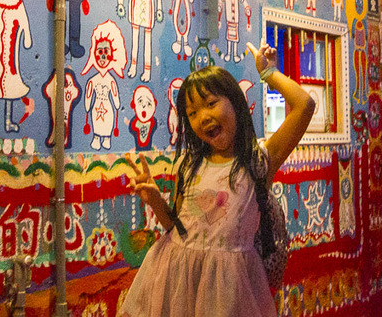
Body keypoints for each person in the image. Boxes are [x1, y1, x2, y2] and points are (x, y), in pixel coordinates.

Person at [120, 42, 315, 317]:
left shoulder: (258, 161)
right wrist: (154, 200)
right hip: (178, 281)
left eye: (211, 104)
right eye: (192, 113)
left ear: (236, 103)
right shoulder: (189, 165)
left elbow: (305, 105)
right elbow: (178, 228)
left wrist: (269, 73)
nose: (203, 117)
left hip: (231, 288)